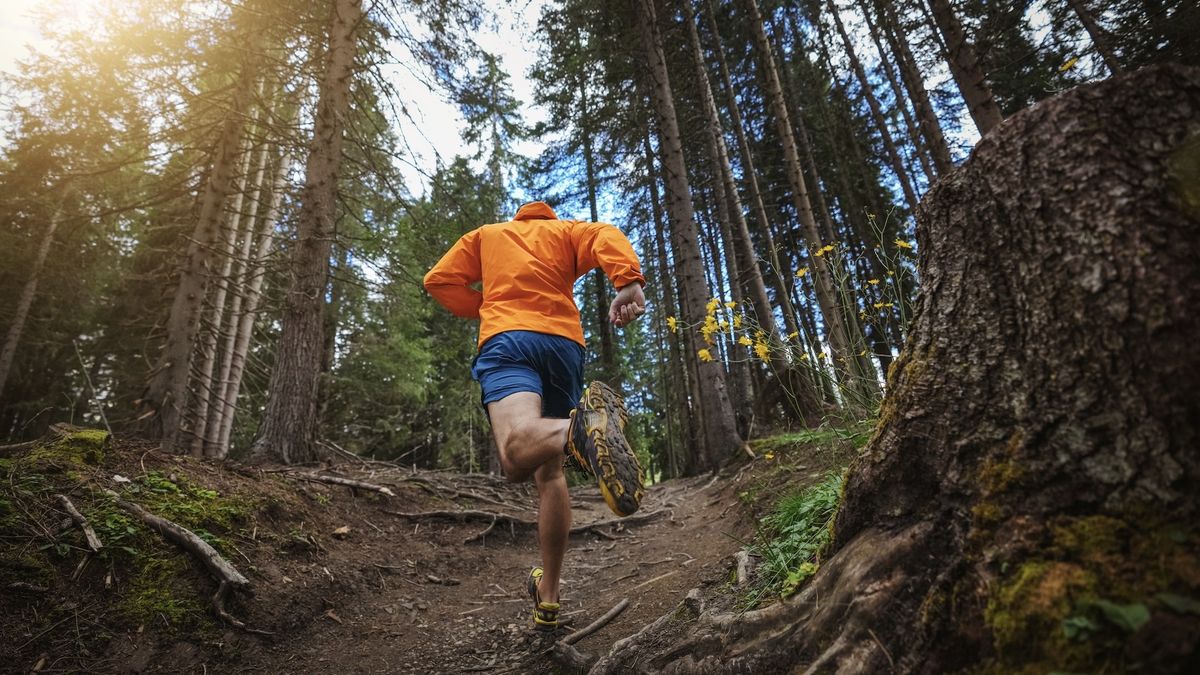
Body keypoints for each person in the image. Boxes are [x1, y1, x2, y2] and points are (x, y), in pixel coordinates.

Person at [423, 200, 647, 632]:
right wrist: (627, 281)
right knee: (550, 474)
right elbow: (605, 234)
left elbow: (439, 280)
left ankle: (579, 427)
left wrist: (485, 304)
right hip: (563, 346)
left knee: (514, 454)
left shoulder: (488, 235)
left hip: (508, 340)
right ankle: (549, 595)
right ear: (546, 216)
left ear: (519, 216)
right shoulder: (566, 232)